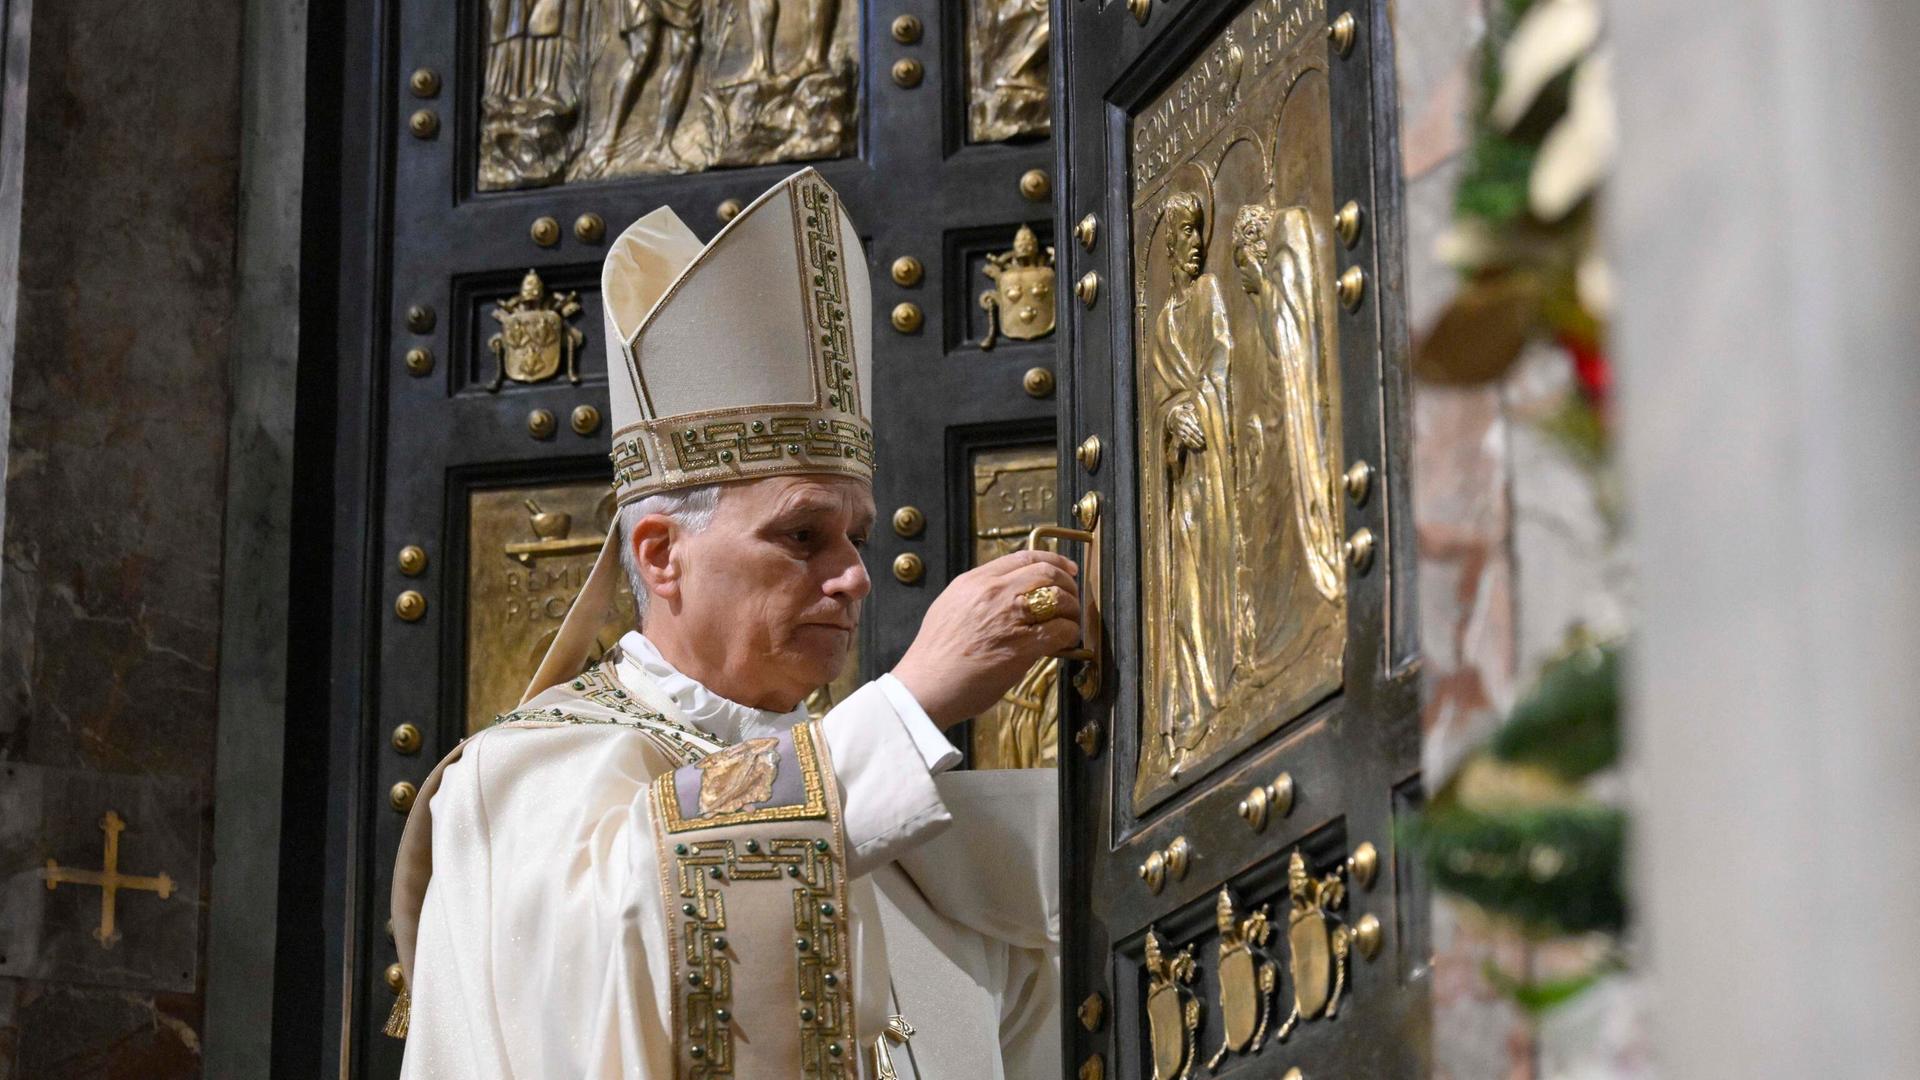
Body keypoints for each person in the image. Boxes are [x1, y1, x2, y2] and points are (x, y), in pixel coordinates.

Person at [388, 168, 1076, 1077]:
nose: (854, 577)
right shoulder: (523, 777)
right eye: (802, 534)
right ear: (662, 554)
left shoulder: (906, 842)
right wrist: (907, 707)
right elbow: (619, 938)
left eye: (857, 537)